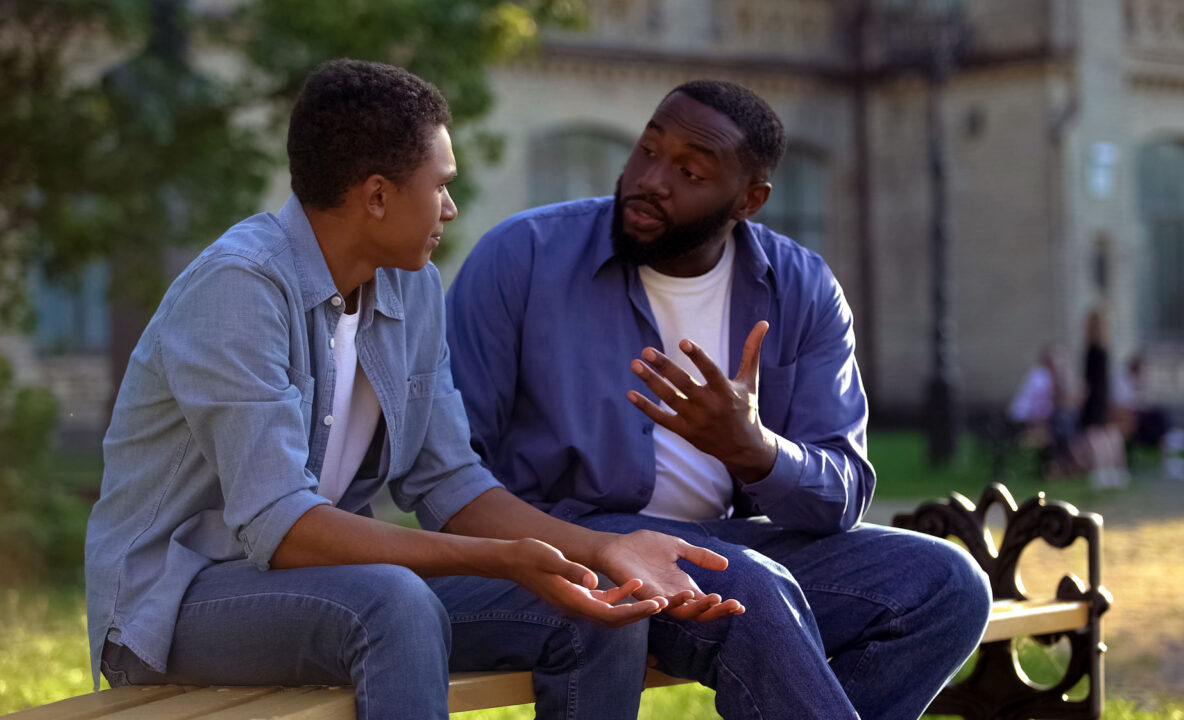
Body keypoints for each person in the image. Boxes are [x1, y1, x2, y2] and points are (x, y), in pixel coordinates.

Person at [84, 59, 741, 720]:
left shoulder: (409, 283)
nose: (451, 209)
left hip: (322, 588)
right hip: (174, 606)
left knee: (598, 606)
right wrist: (499, 560)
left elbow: (450, 480)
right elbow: (282, 527)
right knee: (394, 602)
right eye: (442, 186)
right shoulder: (239, 287)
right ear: (376, 196)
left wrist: (602, 550)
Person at [446, 80, 993, 719]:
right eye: (647, 150)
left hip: (728, 542)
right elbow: (451, 468)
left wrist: (757, 452)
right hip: (573, 538)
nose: (651, 179)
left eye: (689, 171)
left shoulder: (803, 288)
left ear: (748, 200)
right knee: (751, 585)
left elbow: (843, 489)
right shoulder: (524, 257)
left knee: (947, 586)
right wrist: (573, 545)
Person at [1076, 307, 1129, 487]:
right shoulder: (1105, 350)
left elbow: (1087, 382)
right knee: (1107, 436)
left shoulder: (1092, 350)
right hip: (1104, 398)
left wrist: (1081, 401)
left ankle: (1100, 472)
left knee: (1094, 437)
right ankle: (1116, 470)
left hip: (1094, 400)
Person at [1008, 343, 1076, 476]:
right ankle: (1062, 464)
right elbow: (1037, 408)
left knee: (1064, 420)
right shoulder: (1040, 377)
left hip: (1042, 420)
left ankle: (1062, 463)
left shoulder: (1047, 377)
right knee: (1061, 422)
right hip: (1024, 421)